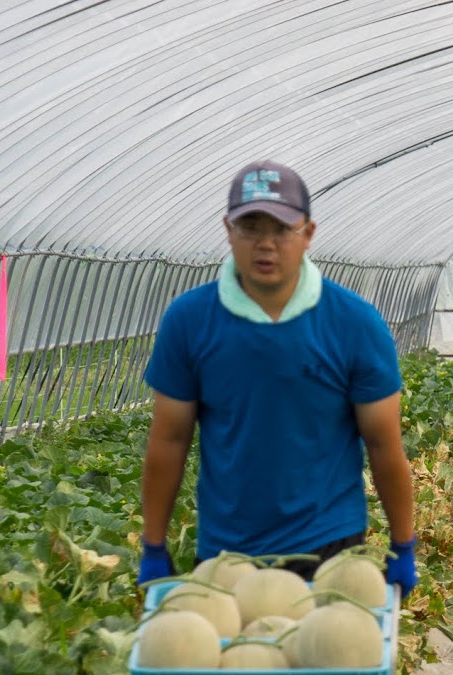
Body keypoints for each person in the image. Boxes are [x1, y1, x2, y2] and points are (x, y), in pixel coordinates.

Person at [136, 160, 417, 595]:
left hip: (330, 550)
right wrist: (153, 546)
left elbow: (384, 443)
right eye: (251, 228)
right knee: (234, 663)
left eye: (282, 229)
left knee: (327, 658)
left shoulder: (354, 323)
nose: (265, 245)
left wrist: (404, 544)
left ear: (308, 233)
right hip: (226, 555)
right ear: (228, 230)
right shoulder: (189, 321)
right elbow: (169, 438)